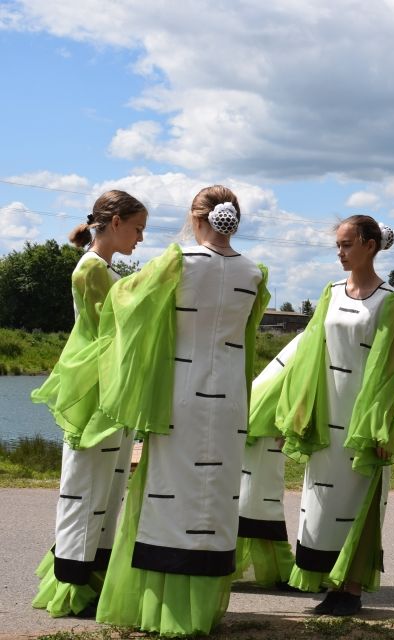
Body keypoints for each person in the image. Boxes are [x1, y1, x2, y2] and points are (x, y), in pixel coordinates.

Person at [93, 185, 270, 636]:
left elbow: (122, 305)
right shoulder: (256, 273)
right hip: (230, 396)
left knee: (170, 493)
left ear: (196, 218)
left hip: (181, 392)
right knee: (216, 495)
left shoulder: (175, 262)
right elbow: (247, 341)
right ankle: (206, 606)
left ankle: (163, 606)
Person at [267, 214, 394, 616]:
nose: (341, 253)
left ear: (370, 245)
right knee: (321, 500)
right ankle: (330, 583)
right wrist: (295, 413)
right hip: (326, 411)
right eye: (338, 246)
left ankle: (352, 588)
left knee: (361, 499)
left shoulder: (390, 301)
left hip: (363, 418)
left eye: (347, 245)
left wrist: (379, 428)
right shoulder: (330, 292)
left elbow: (387, 370)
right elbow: (309, 355)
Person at [31, 190, 148, 618]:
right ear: (115, 222)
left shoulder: (105, 268)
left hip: (109, 390)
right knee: (86, 488)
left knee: (106, 488)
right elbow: (110, 333)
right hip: (97, 390)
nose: (140, 238)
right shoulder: (93, 271)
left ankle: (90, 579)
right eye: (137, 229)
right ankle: (72, 584)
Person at [231, 333, 303, 589]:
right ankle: (281, 570)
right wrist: (291, 426)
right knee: (261, 499)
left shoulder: (307, 337)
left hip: (258, 417)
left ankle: (245, 565)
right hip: (265, 424)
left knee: (254, 499)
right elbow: (299, 385)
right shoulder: (317, 341)